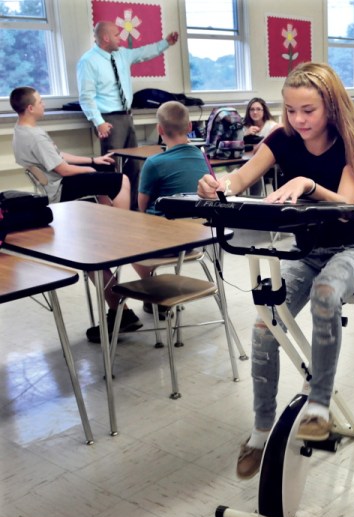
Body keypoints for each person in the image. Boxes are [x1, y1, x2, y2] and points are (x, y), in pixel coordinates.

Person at [196, 62, 354, 479]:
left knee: (327, 294)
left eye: (308, 111)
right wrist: (214, 186)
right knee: (264, 328)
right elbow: (239, 179)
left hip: (352, 246)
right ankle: (261, 430)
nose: (298, 120)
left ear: (331, 107)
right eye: (291, 110)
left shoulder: (351, 142)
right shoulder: (281, 138)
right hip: (305, 252)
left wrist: (308, 185)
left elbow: (349, 206)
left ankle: (318, 405)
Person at [10, 86, 142, 342]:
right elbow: (63, 169)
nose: (43, 104)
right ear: (29, 108)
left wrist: (93, 160)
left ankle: (112, 224)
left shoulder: (22, 132)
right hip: (60, 190)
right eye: (39, 101)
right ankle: (122, 227)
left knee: (104, 180)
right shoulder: (35, 136)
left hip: (53, 186)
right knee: (120, 180)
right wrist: (91, 171)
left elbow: (58, 157)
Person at [77, 21, 179, 206]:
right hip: (108, 119)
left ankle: (134, 208)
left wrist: (166, 43)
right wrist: (98, 121)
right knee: (112, 168)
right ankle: (114, 212)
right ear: (106, 37)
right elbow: (86, 96)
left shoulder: (122, 54)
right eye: (117, 34)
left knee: (134, 165)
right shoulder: (88, 61)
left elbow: (144, 52)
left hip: (127, 115)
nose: (121, 38)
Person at [137, 101, 209, 214]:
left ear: (159, 129)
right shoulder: (202, 156)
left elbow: (142, 207)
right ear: (190, 126)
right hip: (199, 224)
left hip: (163, 226)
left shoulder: (153, 163)